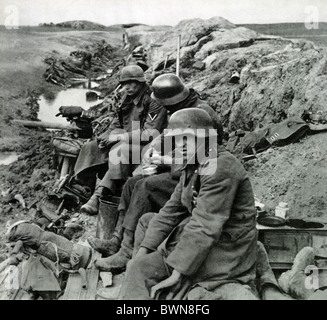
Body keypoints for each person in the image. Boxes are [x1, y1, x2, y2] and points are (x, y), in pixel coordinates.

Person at [117, 107, 258, 300]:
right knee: (140, 259)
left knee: (153, 279)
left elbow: (205, 225)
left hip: (226, 250)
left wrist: (176, 274)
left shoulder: (220, 167)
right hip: (206, 242)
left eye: (187, 138)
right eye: (176, 139)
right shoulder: (195, 164)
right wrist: (140, 256)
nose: (180, 145)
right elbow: (169, 212)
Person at [90, 74, 223, 272]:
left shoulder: (201, 114)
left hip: (199, 179)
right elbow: (169, 135)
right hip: (183, 168)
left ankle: (126, 253)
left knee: (146, 186)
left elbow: (206, 159)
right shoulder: (183, 108)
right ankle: (117, 240)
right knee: (131, 183)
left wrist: (163, 161)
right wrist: (155, 145)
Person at [74, 65, 167, 215]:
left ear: (141, 82)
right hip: (127, 137)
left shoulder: (154, 101)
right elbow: (118, 121)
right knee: (91, 147)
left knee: (119, 150)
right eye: (124, 84)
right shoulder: (127, 99)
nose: (127, 87)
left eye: (132, 83)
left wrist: (117, 137)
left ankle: (99, 195)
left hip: (149, 144)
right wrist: (107, 135)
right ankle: (84, 187)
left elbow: (149, 133)